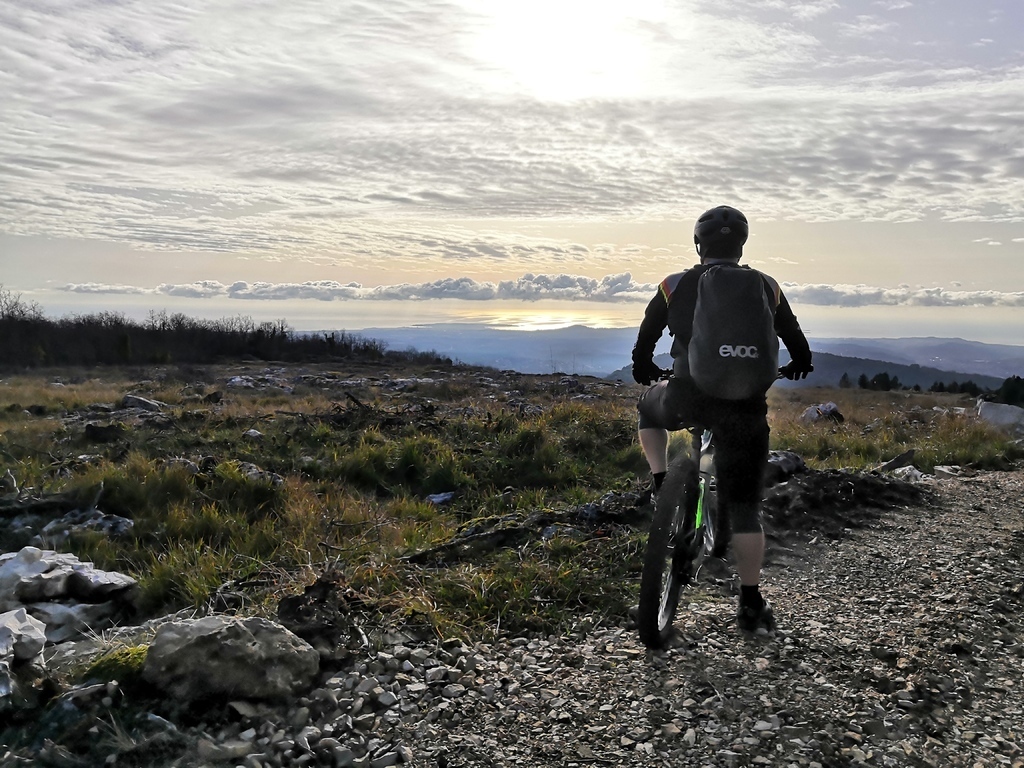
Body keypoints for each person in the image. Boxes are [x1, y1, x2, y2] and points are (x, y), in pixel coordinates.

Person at [630, 205, 813, 633]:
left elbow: (647, 336)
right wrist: (799, 364)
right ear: (742, 245)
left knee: (646, 410)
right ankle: (750, 602)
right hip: (744, 408)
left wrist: (643, 366)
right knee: (746, 508)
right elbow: (795, 341)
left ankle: (661, 482)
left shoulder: (674, 284)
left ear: (699, 244)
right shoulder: (766, 286)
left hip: (686, 397)